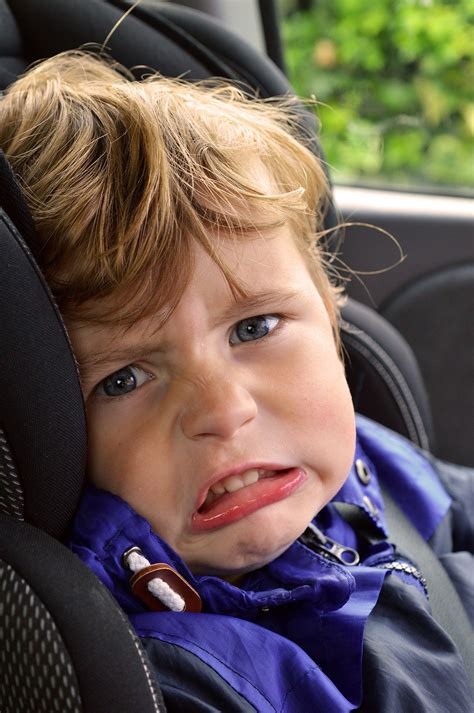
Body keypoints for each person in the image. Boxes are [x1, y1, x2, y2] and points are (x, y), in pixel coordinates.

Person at [0, 50, 472, 712]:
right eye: (125, 377)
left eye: (253, 329)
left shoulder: (373, 465)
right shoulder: (167, 676)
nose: (223, 411)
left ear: (331, 314)